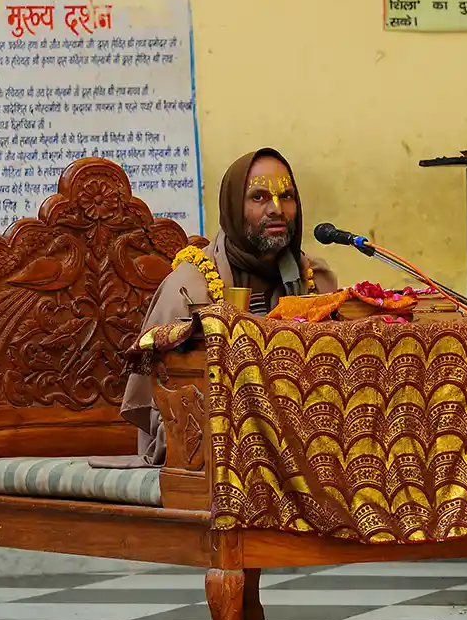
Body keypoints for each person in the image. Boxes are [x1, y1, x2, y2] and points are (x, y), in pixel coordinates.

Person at [119, 147, 337, 464]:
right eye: (259, 197)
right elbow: (162, 406)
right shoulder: (190, 286)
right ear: (234, 206)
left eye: (286, 196)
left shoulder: (315, 280)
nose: (276, 209)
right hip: (207, 457)